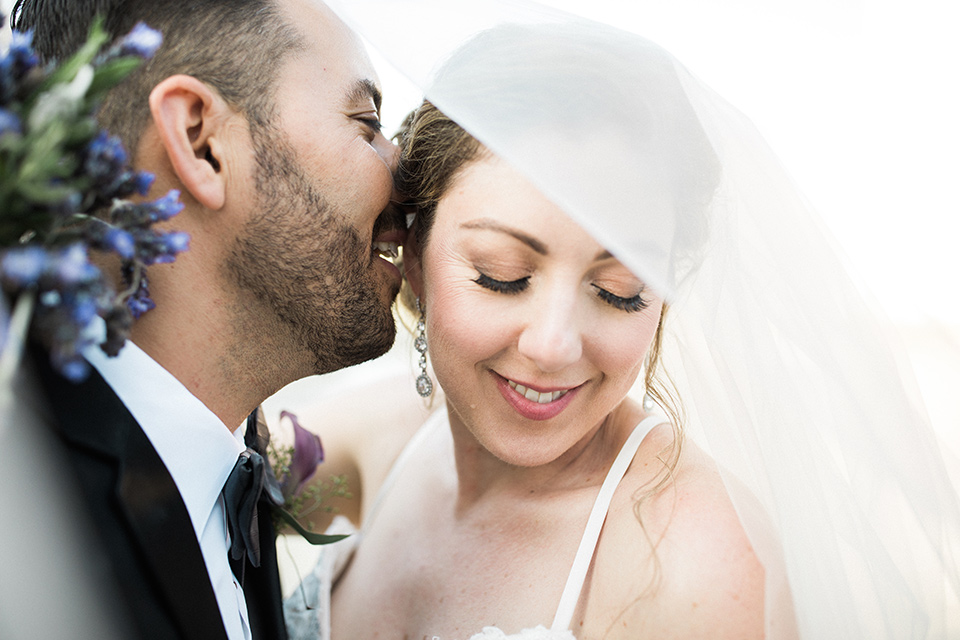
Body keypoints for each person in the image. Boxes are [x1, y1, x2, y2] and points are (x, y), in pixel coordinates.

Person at [283, 4, 960, 640]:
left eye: (618, 291)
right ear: (414, 255)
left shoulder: (693, 560)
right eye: (503, 275)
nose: (552, 345)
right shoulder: (376, 439)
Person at [8, 1, 405, 639]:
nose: (405, 173)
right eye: (368, 123)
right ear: (201, 141)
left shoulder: (233, 488)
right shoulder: (25, 501)